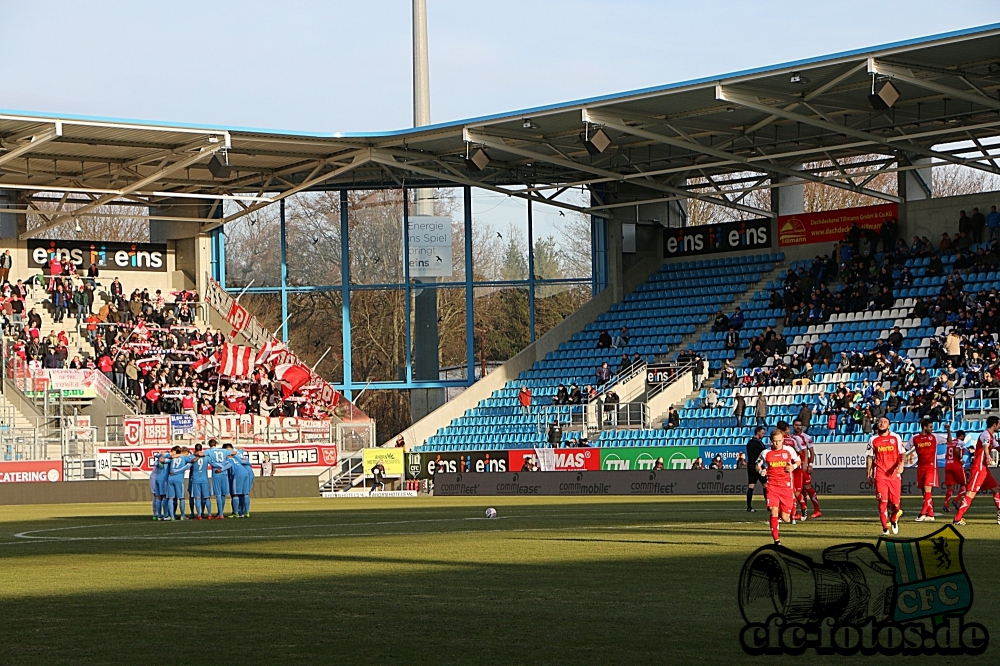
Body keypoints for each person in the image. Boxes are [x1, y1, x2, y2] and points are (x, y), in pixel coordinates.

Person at [953, 416, 1000, 526]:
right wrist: (988, 456)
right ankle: (957, 519)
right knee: (971, 493)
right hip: (979, 468)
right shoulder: (985, 434)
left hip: (984, 469)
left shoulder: (992, 437)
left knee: (997, 490)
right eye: (999, 423)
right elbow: (985, 446)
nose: (999, 425)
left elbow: (998, 448)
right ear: (994, 425)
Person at [756, 429, 800, 545]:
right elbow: (757, 465)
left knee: (786, 518)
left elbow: (798, 461)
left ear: (783, 440)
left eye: (779, 441)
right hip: (772, 486)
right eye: (775, 441)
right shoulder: (765, 453)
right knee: (773, 510)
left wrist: (793, 467)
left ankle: (782, 509)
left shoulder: (789, 450)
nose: (777, 443)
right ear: (771, 441)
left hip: (785, 487)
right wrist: (761, 471)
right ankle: (776, 541)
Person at [902, 419, 949, 522]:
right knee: (924, 492)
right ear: (924, 427)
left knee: (927, 490)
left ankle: (922, 514)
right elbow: (905, 450)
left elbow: (949, 441)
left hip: (931, 467)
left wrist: (948, 431)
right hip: (921, 467)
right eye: (930, 427)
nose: (932, 429)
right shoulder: (915, 438)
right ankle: (931, 514)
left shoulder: (934, 437)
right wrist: (901, 458)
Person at [866, 417, 905, 536]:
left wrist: (902, 465)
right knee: (883, 502)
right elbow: (869, 457)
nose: (882, 424)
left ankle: (893, 519)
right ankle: (884, 529)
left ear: (889, 426)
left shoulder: (895, 437)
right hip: (880, 474)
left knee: (896, 505)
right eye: (880, 422)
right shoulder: (873, 439)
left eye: (885, 422)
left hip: (894, 475)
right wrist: (869, 472)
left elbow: (902, 453)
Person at [791, 419, 821, 519]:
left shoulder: (806, 437)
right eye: (796, 425)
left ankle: (817, 510)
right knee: (800, 489)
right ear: (793, 426)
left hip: (804, 465)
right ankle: (804, 511)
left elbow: (811, 452)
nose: (798, 427)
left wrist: (810, 464)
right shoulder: (791, 437)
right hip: (797, 466)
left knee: (808, 487)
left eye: (799, 425)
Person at [943, 430, 969, 514]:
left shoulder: (950, 443)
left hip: (948, 465)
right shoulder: (961, 442)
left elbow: (946, 456)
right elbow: (957, 450)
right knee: (964, 484)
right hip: (956, 466)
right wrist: (960, 459)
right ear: (962, 436)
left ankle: (946, 505)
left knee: (951, 487)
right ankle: (956, 500)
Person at [205, 439, 231, 519]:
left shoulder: (208, 451)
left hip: (216, 473)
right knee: (223, 494)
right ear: (216, 444)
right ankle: (221, 513)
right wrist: (222, 468)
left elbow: (203, 456)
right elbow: (230, 463)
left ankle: (220, 514)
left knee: (218, 494)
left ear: (209, 444)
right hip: (224, 474)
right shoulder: (224, 451)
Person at [167, 446, 193, 520]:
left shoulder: (173, 458)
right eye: (187, 453)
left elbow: (166, 459)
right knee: (181, 498)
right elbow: (193, 460)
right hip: (178, 479)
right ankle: (182, 515)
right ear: (185, 452)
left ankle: (172, 516)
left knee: (171, 498)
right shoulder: (185, 458)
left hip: (170, 478)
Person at [745, 426, 767, 513]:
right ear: (758, 432)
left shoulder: (749, 442)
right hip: (758, 466)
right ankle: (769, 505)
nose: (763, 435)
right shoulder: (759, 443)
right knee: (766, 485)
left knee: (751, 486)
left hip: (750, 465)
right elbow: (765, 453)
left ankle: (749, 507)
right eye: (762, 433)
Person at [188, 446, 212, 519]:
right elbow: (213, 464)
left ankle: (199, 515)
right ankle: (209, 514)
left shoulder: (191, 457)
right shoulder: (207, 457)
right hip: (204, 479)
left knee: (197, 498)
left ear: (195, 449)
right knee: (207, 497)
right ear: (201, 449)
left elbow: (189, 463)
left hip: (195, 479)